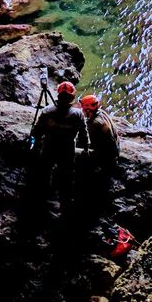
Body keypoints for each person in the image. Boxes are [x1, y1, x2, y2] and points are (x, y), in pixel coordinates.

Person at [30, 80, 89, 209]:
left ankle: (43, 196)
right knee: (66, 174)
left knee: (45, 170)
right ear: (72, 97)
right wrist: (86, 148)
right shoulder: (78, 114)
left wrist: (33, 141)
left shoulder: (47, 111)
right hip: (67, 149)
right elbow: (84, 133)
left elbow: (37, 131)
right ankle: (65, 200)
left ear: (58, 95)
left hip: (50, 146)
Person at [79, 94, 120, 173]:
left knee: (74, 150)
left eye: (83, 109)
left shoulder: (94, 123)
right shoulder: (101, 112)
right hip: (114, 150)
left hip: (107, 158)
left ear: (88, 110)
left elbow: (84, 140)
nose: (82, 111)